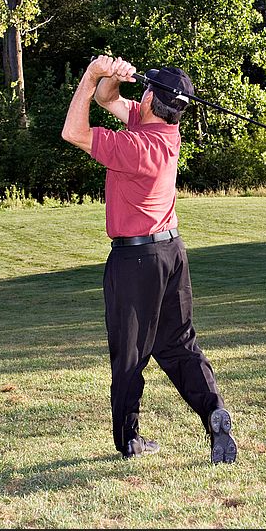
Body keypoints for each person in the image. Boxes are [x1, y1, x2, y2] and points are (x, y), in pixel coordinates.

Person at [62, 55, 237, 464]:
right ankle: (213, 411)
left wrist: (89, 74)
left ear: (147, 98)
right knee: (178, 343)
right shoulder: (164, 131)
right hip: (170, 252)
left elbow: (73, 131)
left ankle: (129, 439)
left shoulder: (135, 146)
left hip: (137, 259)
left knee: (129, 353)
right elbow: (108, 101)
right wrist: (110, 78)